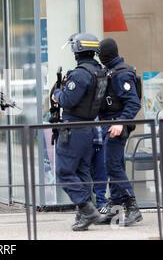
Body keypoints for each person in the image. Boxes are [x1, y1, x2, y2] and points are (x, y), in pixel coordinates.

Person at [51, 33, 108, 231]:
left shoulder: (80, 74)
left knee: (64, 172)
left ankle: (87, 210)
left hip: (74, 128)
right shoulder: (99, 71)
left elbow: (67, 100)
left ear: (77, 50)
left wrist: (57, 93)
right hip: (89, 128)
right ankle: (83, 214)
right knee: (83, 173)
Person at [98, 38, 143, 226]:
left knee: (112, 165)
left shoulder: (122, 73)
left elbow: (133, 103)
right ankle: (116, 208)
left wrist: (120, 123)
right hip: (111, 125)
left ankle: (133, 207)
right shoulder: (111, 71)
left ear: (106, 54)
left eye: (100, 54)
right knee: (114, 165)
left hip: (117, 126)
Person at [91, 125, 108, 211]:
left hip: (101, 136)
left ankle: (101, 200)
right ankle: (84, 204)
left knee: (101, 170)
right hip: (84, 136)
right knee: (84, 172)